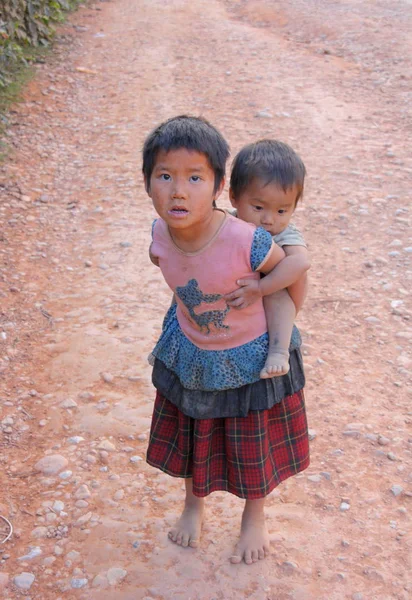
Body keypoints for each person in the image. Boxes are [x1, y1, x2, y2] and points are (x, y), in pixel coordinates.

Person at [143, 115, 309, 565]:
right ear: (147, 184)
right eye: (165, 176)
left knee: (252, 442)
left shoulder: (249, 239)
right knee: (195, 432)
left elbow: (292, 279)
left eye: (195, 177)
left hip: (251, 354)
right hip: (194, 351)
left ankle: (254, 517)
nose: (179, 190)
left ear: (217, 186)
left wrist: (276, 327)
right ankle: (192, 505)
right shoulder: (159, 234)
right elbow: (174, 273)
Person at [226, 139, 310, 378]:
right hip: (235, 303)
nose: (269, 220)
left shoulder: (285, 234)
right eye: (259, 207)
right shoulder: (228, 222)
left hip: (272, 291)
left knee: (278, 297)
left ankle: (278, 351)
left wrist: (262, 287)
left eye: (282, 211)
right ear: (234, 197)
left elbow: (300, 263)